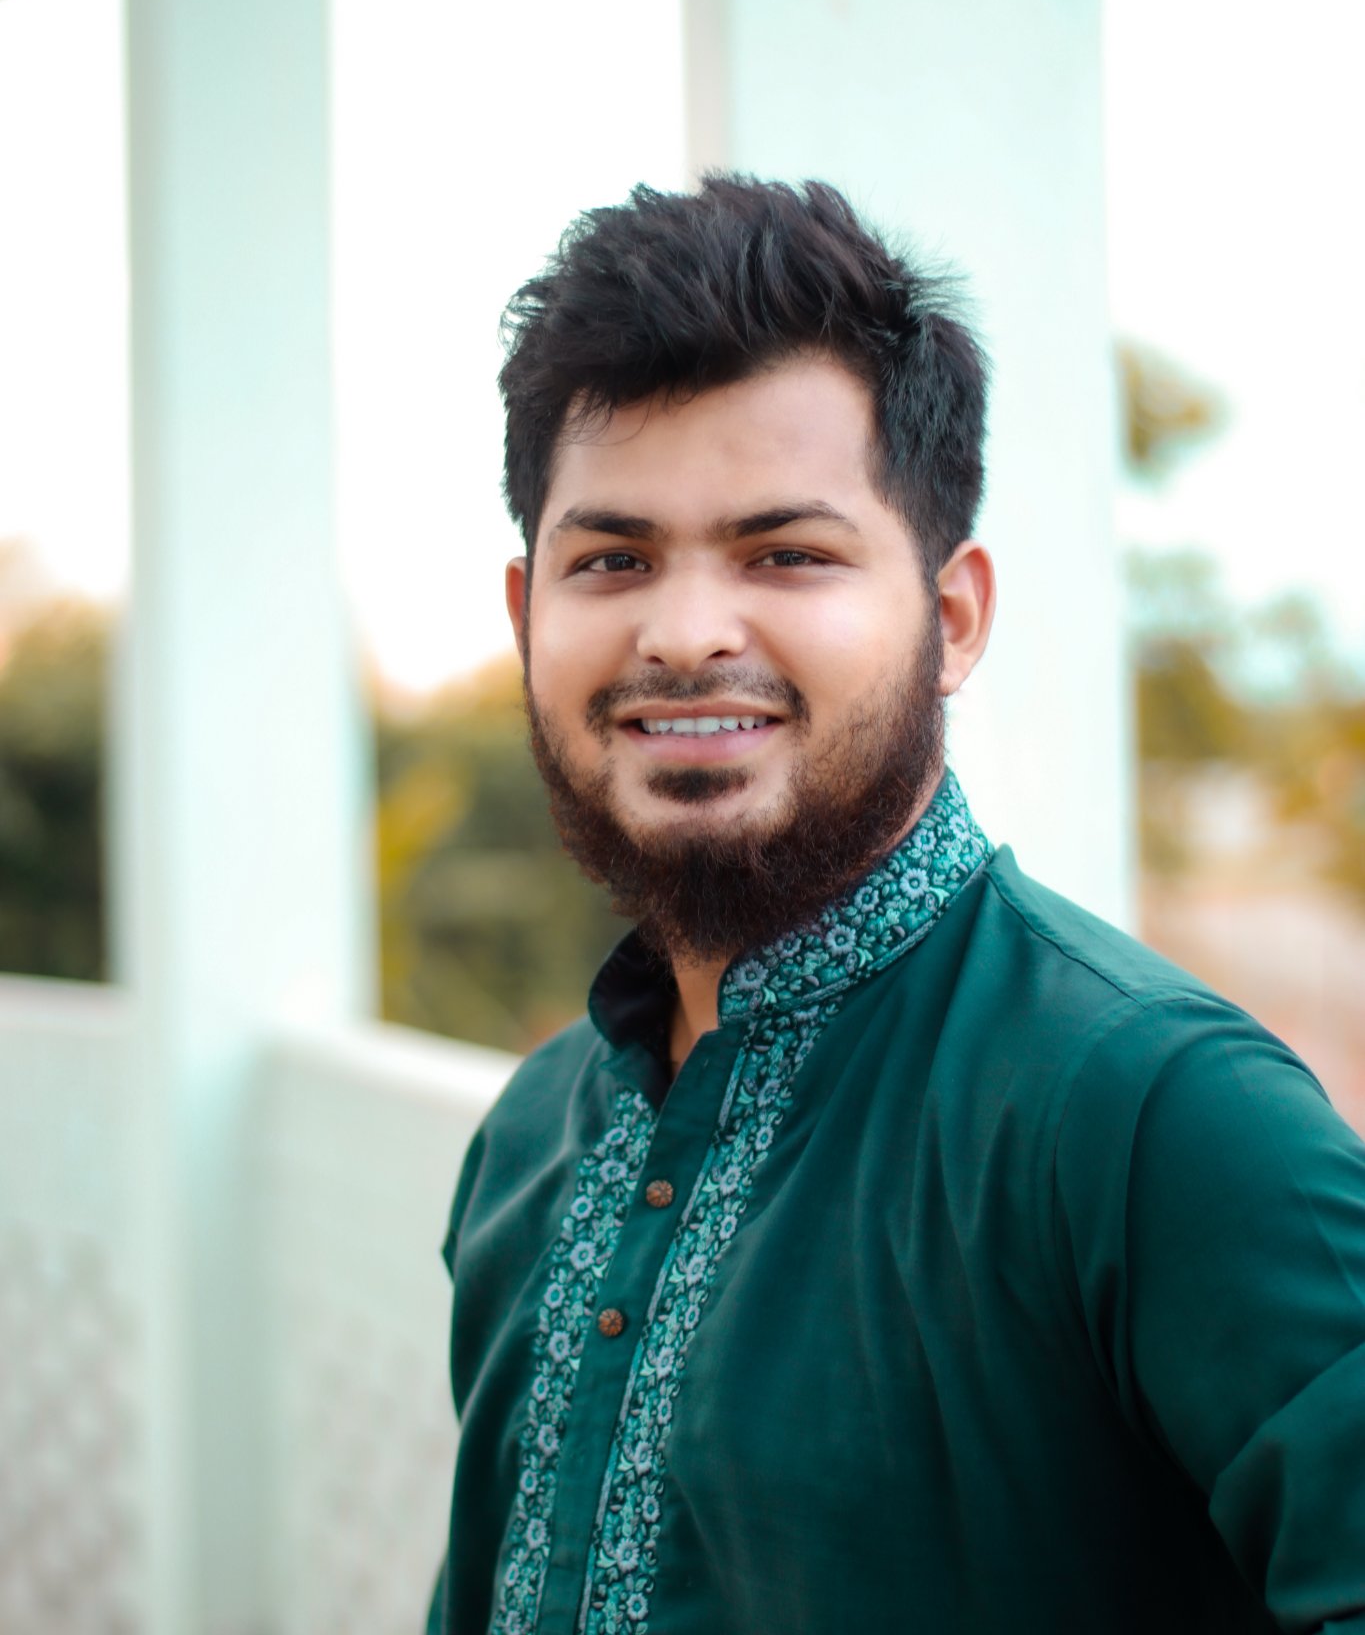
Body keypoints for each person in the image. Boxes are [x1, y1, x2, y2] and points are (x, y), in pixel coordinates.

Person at [427, 176, 1365, 1635]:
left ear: (953, 617)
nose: (686, 633)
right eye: (611, 560)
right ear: (524, 613)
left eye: (786, 554)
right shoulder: (533, 1138)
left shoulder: (1156, 1119)